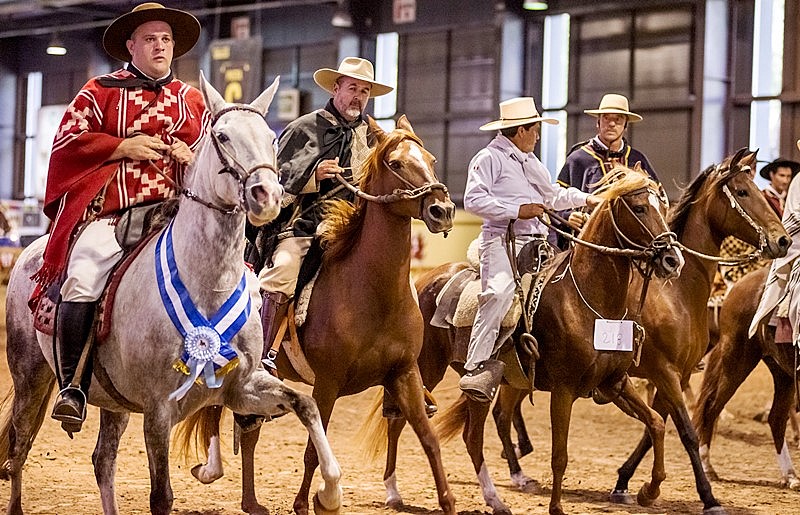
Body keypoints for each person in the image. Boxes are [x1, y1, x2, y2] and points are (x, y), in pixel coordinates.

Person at [34, 2, 207, 433]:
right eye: (150, 39)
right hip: (113, 215)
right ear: (131, 46)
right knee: (84, 274)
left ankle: (233, 374)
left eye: (166, 39)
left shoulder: (192, 99)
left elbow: (215, 154)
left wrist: (194, 155)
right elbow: (67, 143)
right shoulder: (99, 91)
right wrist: (119, 147)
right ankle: (72, 385)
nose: (160, 46)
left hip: (175, 214)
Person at [459, 97, 601, 403]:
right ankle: (475, 366)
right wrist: (517, 209)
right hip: (501, 241)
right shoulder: (488, 158)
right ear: (520, 130)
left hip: (538, 244)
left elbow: (552, 196)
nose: (537, 136)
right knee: (497, 292)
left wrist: (586, 200)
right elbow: (473, 200)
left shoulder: (531, 162)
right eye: (535, 130)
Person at [255, 57, 393, 365]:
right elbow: (275, 180)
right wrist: (312, 176)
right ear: (336, 88)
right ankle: (262, 358)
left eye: (365, 91)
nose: (358, 96)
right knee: (283, 271)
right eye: (353, 88)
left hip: (353, 230)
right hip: (306, 226)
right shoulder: (303, 128)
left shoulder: (372, 137)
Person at [556, 94, 657, 235]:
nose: (611, 124)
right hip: (587, 240)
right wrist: (567, 217)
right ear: (598, 122)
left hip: (632, 241)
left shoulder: (637, 160)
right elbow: (555, 200)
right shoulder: (578, 159)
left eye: (618, 119)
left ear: (625, 125)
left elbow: (656, 201)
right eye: (606, 118)